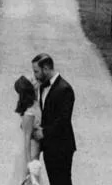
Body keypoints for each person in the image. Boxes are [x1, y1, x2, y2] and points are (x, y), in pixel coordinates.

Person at [32, 53, 75, 185]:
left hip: (61, 147)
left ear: (46, 69)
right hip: (49, 146)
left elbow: (63, 120)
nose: (34, 75)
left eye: (36, 71)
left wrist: (43, 132)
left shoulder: (65, 89)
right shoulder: (42, 86)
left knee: (61, 182)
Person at [8, 75, 42, 185]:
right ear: (29, 88)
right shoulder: (29, 112)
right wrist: (29, 163)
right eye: (32, 80)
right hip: (31, 150)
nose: (35, 79)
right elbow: (27, 138)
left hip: (36, 147)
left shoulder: (35, 100)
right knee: (30, 180)